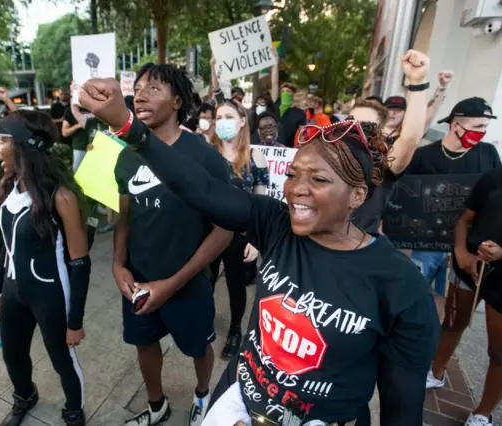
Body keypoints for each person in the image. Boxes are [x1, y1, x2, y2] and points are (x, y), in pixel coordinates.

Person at [78, 79, 440, 425]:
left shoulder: (402, 288)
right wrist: (127, 126)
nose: (297, 189)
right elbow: (201, 188)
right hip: (237, 400)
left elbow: (402, 410)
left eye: (319, 179)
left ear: (358, 196)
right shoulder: (275, 223)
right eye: (294, 174)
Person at [111, 63, 232, 426]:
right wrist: (118, 264)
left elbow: (223, 230)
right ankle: (156, 407)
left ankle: (202, 394)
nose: (141, 94)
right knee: (144, 345)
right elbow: (124, 216)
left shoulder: (205, 158)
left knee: (198, 346)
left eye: (154, 88)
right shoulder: (126, 154)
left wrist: (172, 284)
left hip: (187, 284)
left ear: (178, 101)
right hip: (138, 281)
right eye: (139, 87)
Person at [0, 109, 91, 426]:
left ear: (25, 146)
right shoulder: (8, 190)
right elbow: (8, 244)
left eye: (2, 139)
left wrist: (75, 320)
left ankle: (73, 409)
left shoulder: (62, 198)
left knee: (61, 359)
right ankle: (24, 395)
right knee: (12, 354)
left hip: (50, 295)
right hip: (15, 293)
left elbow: (80, 263)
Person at [425, 168, 502, 426]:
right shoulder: (495, 177)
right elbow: (464, 219)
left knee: (499, 352)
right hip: (469, 268)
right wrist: (460, 251)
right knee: (452, 323)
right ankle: (436, 372)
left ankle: (483, 413)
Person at [406, 97, 501, 299]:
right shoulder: (423, 156)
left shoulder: (489, 153)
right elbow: (404, 200)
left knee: (449, 311)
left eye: (485, 127)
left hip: (468, 251)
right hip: (425, 246)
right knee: (412, 298)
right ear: (455, 125)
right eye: (478, 126)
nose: (482, 132)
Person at [209, 99, 269, 359]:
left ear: (242, 120)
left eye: (229, 116)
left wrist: (255, 239)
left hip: (239, 234)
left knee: (236, 285)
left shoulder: (255, 156)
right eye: (219, 117)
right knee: (204, 281)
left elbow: (261, 202)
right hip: (207, 232)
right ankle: (203, 322)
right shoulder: (207, 152)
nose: (223, 122)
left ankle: (235, 330)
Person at [348, 49, 431, 234]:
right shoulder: (329, 154)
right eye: (351, 123)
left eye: (366, 126)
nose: (356, 130)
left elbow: (410, 138)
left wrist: (417, 82)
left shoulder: (382, 163)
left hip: (359, 249)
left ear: (380, 132)